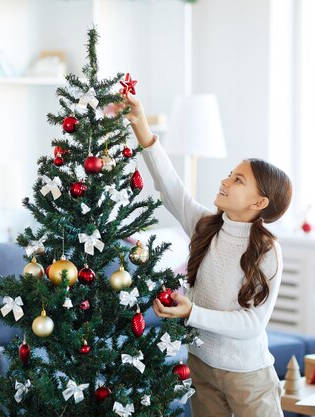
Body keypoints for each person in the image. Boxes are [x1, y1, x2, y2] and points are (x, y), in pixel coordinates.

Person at [121, 93, 293, 417]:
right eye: (230, 174)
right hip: (201, 366)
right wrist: (141, 124)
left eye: (238, 180)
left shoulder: (268, 251)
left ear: (259, 203)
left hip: (247, 376)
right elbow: (170, 186)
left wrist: (192, 313)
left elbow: (252, 324)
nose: (225, 181)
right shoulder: (205, 226)